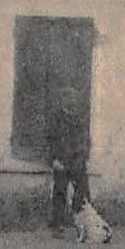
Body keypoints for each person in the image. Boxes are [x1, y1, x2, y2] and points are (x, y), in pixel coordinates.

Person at [46, 86, 91, 232]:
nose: (71, 101)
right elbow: (50, 140)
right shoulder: (55, 118)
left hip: (77, 159)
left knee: (83, 192)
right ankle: (57, 224)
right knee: (60, 191)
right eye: (68, 98)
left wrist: (82, 158)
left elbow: (85, 139)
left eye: (74, 99)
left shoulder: (80, 118)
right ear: (62, 101)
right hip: (61, 159)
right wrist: (53, 160)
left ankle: (84, 222)